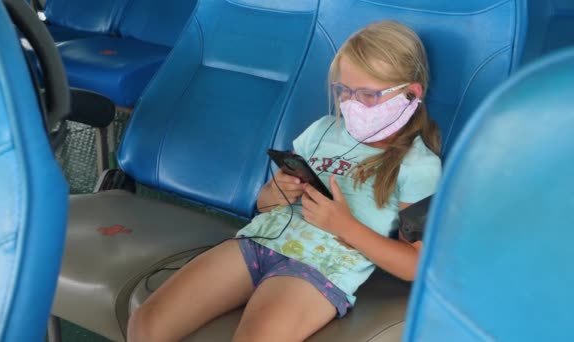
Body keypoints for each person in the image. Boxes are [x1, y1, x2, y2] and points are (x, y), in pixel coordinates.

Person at [127, 20, 442, 342]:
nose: (352, 104)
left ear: (410, 93)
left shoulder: (420, 167)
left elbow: (416, 264)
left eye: (367, 95)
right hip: (258, 242)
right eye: (344, 91)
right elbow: (265, 204)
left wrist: (344, 225)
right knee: (147, 324)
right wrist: (274, 192)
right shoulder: (322, 130)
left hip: (320, 265)